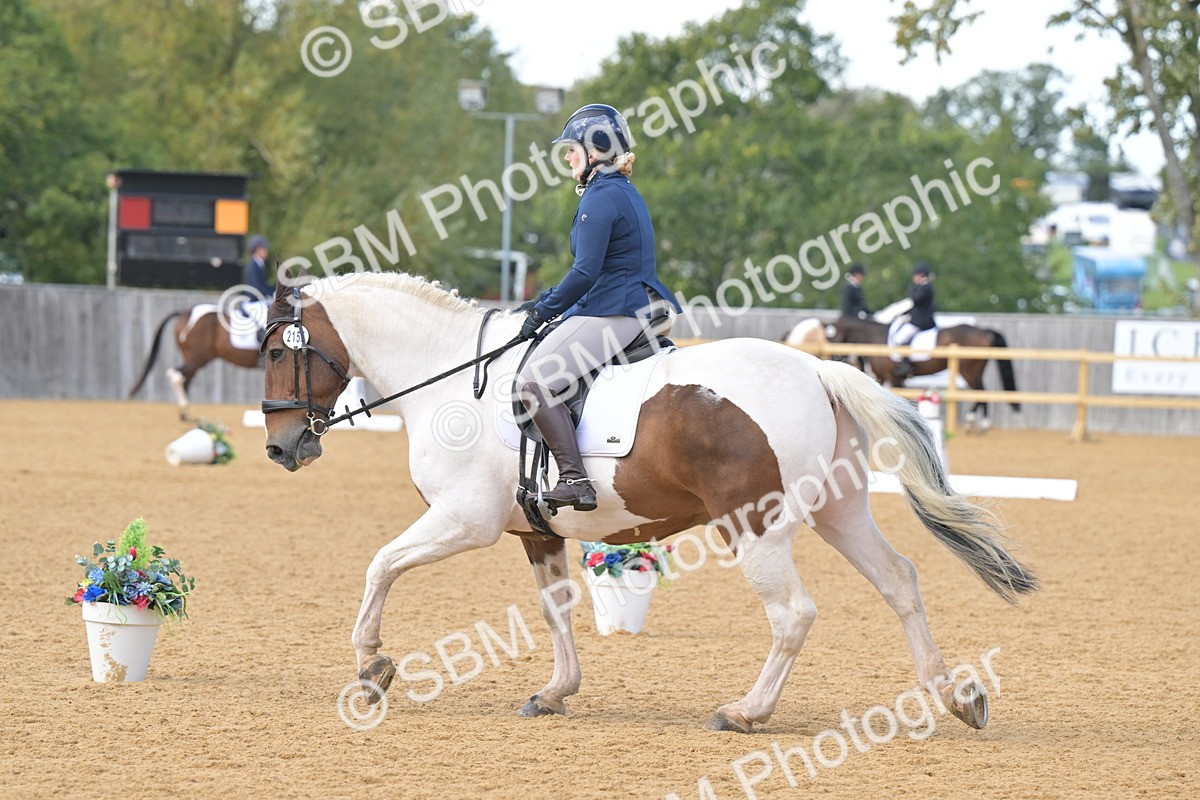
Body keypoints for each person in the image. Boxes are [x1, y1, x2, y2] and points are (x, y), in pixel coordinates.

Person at [516, 103, 681, 512]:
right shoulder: (618, 192)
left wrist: (543, 310)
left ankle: (574, 479)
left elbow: (586, 272)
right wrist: (553, 306)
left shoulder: (602, 196)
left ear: (595, 151)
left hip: (617, 311)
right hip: (624, 303)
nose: (567, 158)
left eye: (571, 149)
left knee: (535, 381)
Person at [892, 262, 936, 379]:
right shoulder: (923, 287)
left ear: (920, 275)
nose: (913, 278)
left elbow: (915, 299)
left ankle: (906, 365)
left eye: (915, 276)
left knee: (900, 338)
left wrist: (911, 289)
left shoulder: (926, 287)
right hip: (919, 319)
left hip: (922, 321)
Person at [243, 235, 272, 300]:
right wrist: (272, 293)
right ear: (258, 250)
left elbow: (263, 286)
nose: (267, 251)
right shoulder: (253, 265)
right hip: (254, 301)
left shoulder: (259, 264)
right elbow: (257, 286)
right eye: (264, 249)